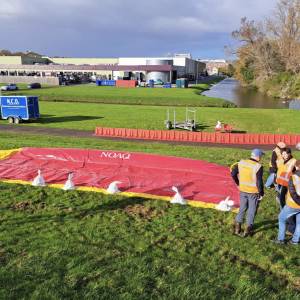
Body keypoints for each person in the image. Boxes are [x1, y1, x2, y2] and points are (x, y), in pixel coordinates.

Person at [231, 149, 264, 237]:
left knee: (242, 208)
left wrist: (238, 183)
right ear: (258, 157)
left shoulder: (241, 163)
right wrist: (261, 193)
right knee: (251, 210)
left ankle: (237, 228)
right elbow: (259, 182)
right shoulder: (258, 166)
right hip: (253, 192)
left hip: (242, 190)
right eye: (261, 156)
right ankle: (248, 229)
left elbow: (233, 173)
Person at [276, 160, 300, 245]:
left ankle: (280, 239)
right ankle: (295, 240)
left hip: (293, 204)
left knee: (281, 218)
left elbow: (293, 193)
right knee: (299, 223)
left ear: (296, 167)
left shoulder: (293, 177)